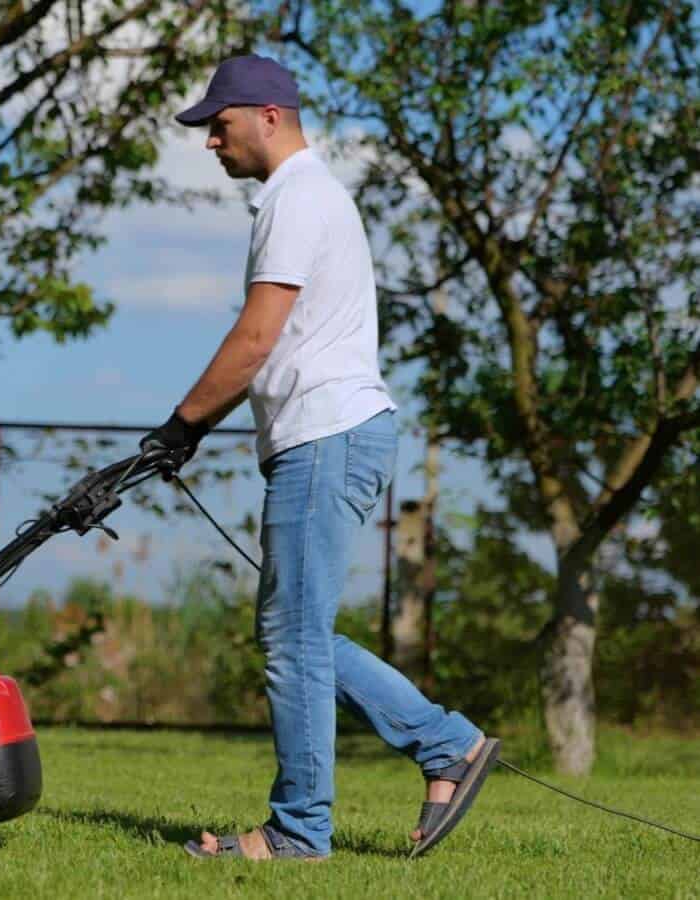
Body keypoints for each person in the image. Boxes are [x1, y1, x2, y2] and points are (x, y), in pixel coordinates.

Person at [139, 54, 499, 862]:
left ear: (268, 116)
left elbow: (257, 337)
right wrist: (189, 428)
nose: (210, 143)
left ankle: (301, 829)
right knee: (297, 632)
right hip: (332, 434)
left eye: (218, 126)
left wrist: (182, 423)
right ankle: (447, 747)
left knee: (293, 637)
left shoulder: (297, 198)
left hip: (327, 435)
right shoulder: (303, 197)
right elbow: (269, 347)